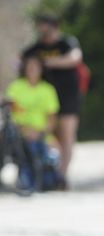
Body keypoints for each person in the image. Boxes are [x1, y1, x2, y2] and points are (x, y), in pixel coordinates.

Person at [21, 13, 82, 186]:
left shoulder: (66, 43)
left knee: (67, 136)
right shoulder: (36, 47)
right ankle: (48, 174)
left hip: (68, 96)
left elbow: (75, 59)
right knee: (50, 138)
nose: (41, 29)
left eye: (44, 25)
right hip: (46, 98)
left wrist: (46, 62)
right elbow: (22, 61)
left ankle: (62, 176)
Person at [3, 53, 60, 193]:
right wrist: (23, 130)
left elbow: (52, 118)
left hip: (41, 133)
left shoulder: (47, 89)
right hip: (19, 134)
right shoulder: (16, 87)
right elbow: (9, 113)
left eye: (36, 67)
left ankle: (45, 180)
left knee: (51, 150)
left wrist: (41, 133)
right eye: (30, 67)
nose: (32, 70)